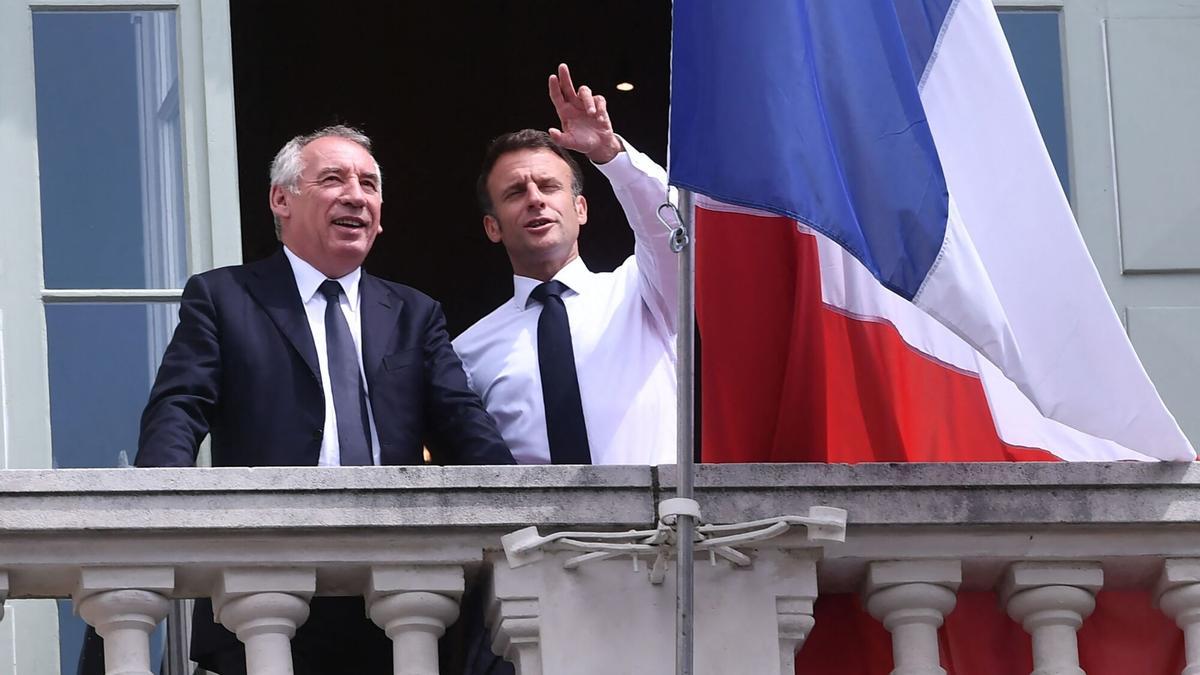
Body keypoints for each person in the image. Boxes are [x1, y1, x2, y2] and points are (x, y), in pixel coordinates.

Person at [129, 125, 514, 675]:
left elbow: (464, 427)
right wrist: (156, 515)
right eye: (333, 179)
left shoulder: (414, 313)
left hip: (398, 604)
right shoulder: (224, 298)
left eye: (370, 184)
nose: (356, 195)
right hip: (262, 586)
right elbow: (178, 410)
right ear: (281, 199)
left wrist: (528, 518)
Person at [454, 63, 679, 468]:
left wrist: (610, 155)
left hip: (655, 529)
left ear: (581, 208)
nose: (536, 199)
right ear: (492, 226)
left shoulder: (642, 290)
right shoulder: (467, 352)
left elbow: (673, 229)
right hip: (535, 532)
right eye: (515, 192)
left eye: (550, 186)